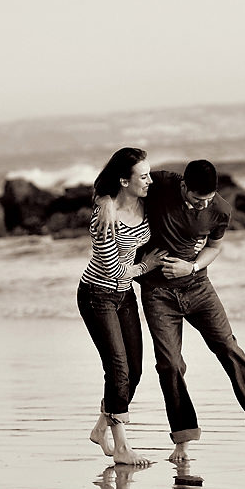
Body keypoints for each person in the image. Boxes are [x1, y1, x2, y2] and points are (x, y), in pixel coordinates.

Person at [97, 159, 245, 462]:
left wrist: (193, 266)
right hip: (158, 293)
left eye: (208, 198)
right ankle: (182, 441)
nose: (204, 204)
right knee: (170, 365)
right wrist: (105, 202)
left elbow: (215, 246)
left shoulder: (220, 209)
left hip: (199, 289)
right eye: (198, 199)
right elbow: (117, 184)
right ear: (184, 186)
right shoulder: (161, 184)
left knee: (228, 347)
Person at [79, 147, 168, 466]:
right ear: (124, 181)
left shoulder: (144, 202)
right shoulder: (105, 214)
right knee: (117, 368)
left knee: (135, 369)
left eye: (149, 174)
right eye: (143, 176)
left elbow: (172, 183)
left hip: (124, 295)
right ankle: (121, 446)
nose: (149, 181)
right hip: (97, 295)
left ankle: (101, 429)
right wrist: (147, 266)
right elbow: (114, 270)